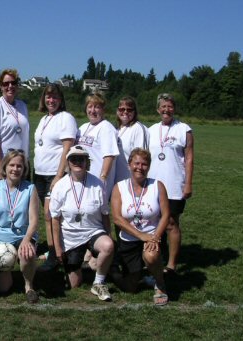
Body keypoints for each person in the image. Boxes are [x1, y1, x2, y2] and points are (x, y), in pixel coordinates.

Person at [50, 145, 115, 301]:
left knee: (107, 246)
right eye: (74, 159)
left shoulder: (98, 184)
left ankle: (98, 282)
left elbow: (105, 214)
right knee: (75, 284)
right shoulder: (60, 186)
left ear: (87, 162)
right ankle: (89, 261)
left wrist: (110, 238)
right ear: (68, 163)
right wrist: (58, 249)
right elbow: (55, 220)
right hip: (70, 238)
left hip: (93, 231)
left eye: (81, 159)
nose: (77, 162)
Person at [110, 148, 170, 306]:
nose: (140, 167)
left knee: (151, 256)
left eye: (144, 164)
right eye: (136, 163)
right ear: (129, 164)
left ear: (149, 167)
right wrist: (139, 235)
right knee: (130, 288)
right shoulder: (119, 187)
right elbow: (117, 218)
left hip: (151, 236)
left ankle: (160, 283)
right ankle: (133, 272)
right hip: (129, 240)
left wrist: (155, 237)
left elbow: (165, 215)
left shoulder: (157, 186)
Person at [0, 150, 40, 304]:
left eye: (19, 166)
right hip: (0, 237)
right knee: (3, 289)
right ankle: (8, 273)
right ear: (5, 167)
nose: (15, 169)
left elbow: (34, 220)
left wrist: (27, 240)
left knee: (27, 253)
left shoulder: (30, 189)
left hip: (23, 235)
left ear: (24, 169)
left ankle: (29, 286)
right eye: (12, 165)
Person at [148, 93, 194, 274]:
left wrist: (188, 183)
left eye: (170, 106)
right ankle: (153, 258)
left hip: (174, 184)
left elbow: (189, 158)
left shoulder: (184, 129)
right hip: (152, 184)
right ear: (158, 109)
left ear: (174, 109)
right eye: (163, 107)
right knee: (152, 223)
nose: (166, 110)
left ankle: (171, 264)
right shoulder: (150, 130)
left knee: (171, 223)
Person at [33, 83, 77, 271]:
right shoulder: (44, 118)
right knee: (46, 216)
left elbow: (67, 148)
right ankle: (56, 251)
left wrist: (59, 175)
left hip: (54, 174)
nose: (51, 100)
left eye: (55, 97)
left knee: (51, 215)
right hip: (39, 173)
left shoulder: (65, 118)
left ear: (61, 100)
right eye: (48, 97)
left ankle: (55, 256)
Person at [0, 69, 30, 179]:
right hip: (6, 164)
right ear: (1, 86)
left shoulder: (23, 106)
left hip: (22, 163)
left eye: (13, 83)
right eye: (6, 83)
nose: (10, 86)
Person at [77, 92, 119, 198]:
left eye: (97, 107)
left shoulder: (106, 128)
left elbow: (109, 155)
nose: (92, 111)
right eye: (90, 106)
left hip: (96, 182)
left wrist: (103, 178)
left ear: (103, 110)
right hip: (81, 179)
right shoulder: (83, 127)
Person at [114, 96, 149, 183]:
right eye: (122, 109)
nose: (125, 112)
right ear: (117, 111)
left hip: (130, 181)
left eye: (129, 110)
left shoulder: (138, 128)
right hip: (114, 181)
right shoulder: (115, 129)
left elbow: (142, 158)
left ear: (134, 112)